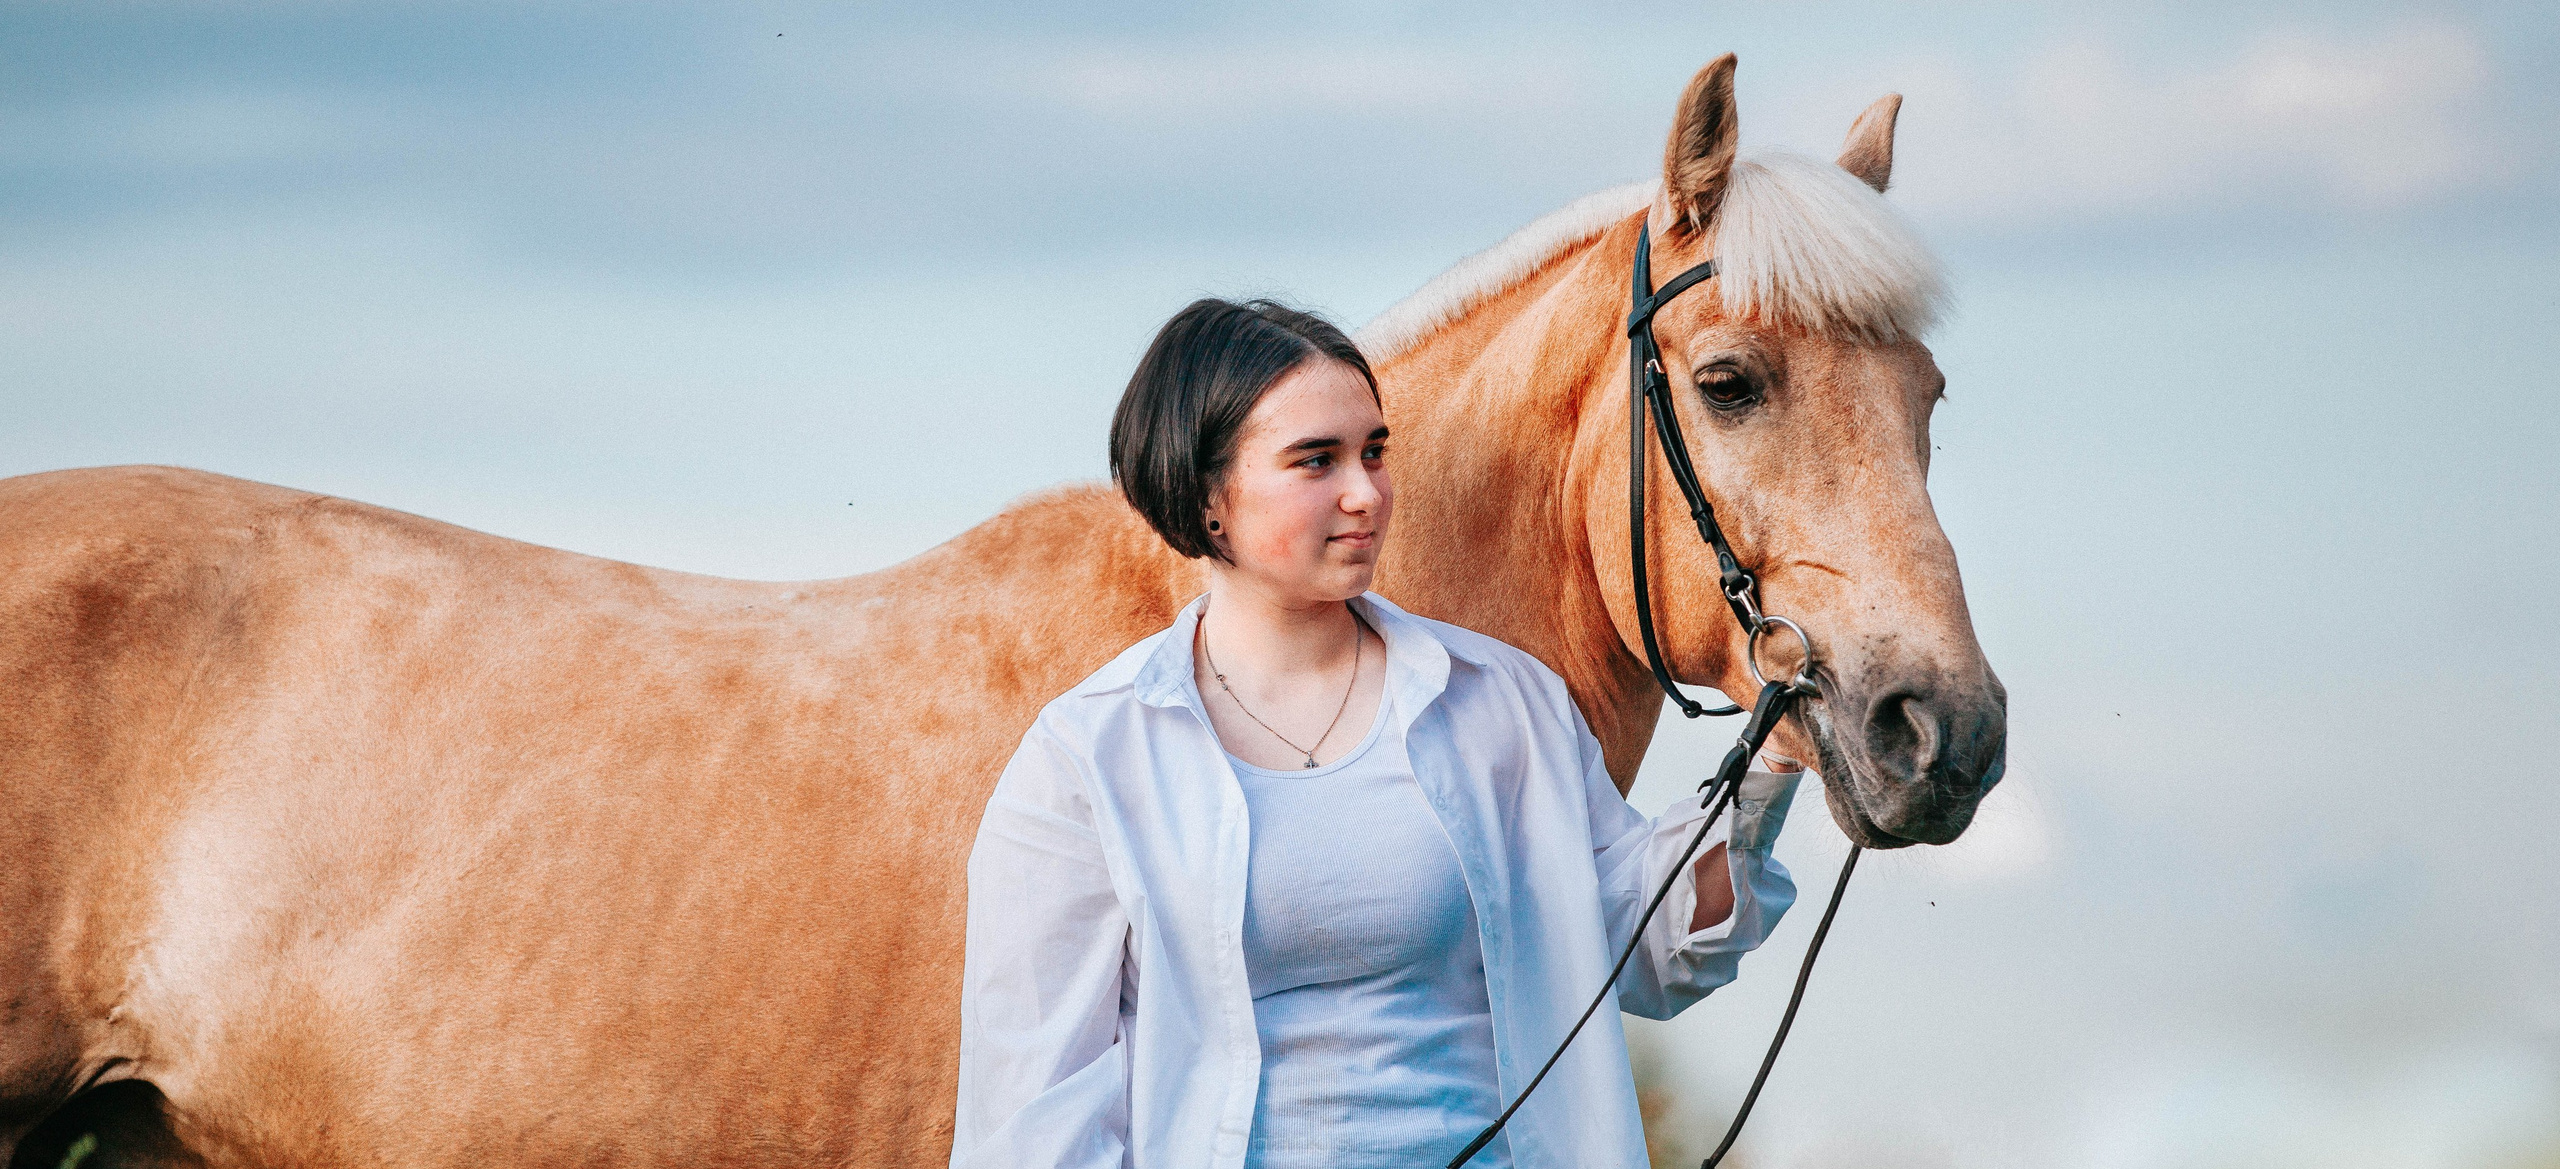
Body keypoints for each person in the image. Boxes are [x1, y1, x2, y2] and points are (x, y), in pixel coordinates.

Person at [950, 298, 1804, 1169]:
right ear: (1209, 496)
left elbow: (1645, 946)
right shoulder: (1087, 760)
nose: (1366, 492)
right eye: (1316, 460)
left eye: (1374, 452)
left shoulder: (1498, 705)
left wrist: (1774, 756)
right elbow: (1035, 1118)